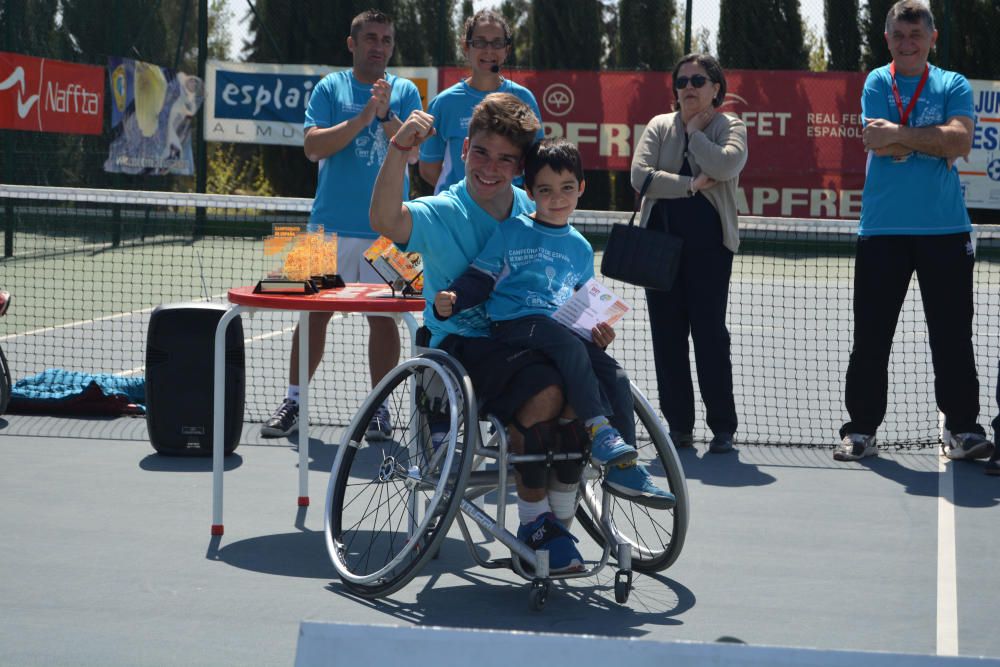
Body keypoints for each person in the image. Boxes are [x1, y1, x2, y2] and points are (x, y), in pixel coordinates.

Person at [373, 94, 655, 573]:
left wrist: (591, 328)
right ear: (464, 149)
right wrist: (399, 150)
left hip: (535, 339)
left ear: (521, 168)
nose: (490, 167)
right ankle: (533, 524)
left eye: (506, 159)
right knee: (548, 394)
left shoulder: (537, 205)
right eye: (481, 153)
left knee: (581, 385)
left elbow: (561, 284)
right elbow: (384, 221)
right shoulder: (441, 210)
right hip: (465, 348)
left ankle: (558, 523)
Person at [434, 138, 674, 509]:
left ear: (580, 188)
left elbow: (580, 303)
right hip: (515, 326)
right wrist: (453, 299)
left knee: (617, 376)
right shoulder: (511, 230)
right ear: (529, 191)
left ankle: (624, 466)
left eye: (566, 188)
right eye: (544, 190)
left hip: (561, 331)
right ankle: (600, 429)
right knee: (565, 343)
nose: (556, 198)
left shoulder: (579, 246)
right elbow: (480, 277)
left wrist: (598, 334)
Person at [835, 0, 995, 462]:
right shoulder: (877, 81)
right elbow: (875, 143)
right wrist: (933, 137)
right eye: (899, 35)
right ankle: (861, 430)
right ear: (887, 39)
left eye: (916, 35)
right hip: (882, 231)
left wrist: (902, 134)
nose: (907, 43)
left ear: (932, 38)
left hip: (946, 231)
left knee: (952, 336)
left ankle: (962, 430)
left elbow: (961, 141)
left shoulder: (953, 83)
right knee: (871, 336)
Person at [261, 9, 422, 439]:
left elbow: (414, 156)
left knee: (385, 320)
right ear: (352, 44)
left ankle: (380, 410)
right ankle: (293, 402)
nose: (379, 46)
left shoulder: (406, 91)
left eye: (386, 39)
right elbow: (313, 147)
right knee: (312, 316)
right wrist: (362, 118)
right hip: (324, 230)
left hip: (389, 233)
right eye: (370, 37)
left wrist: (388, 116)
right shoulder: (331, 87)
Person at [630, 54, 748, 455]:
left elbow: (727, 163)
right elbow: (639, 177)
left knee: (711, 335)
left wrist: (697, 133)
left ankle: (723, 428)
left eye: (699, 80)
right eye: (682, 82)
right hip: (658, 249)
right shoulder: (658, 127)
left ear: (716, 87)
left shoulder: (728, 125)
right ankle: (678, 426)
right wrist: (692, 185)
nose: (690, 88)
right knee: (667, 338)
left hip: (710, 250)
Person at [417, 9, 542, 194]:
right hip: (456, 214)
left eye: (497, 43)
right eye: (480, 42)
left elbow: (536, 163)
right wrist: (470, 196)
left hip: (506, 215)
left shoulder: (524, 99)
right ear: (466, 47)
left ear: (506, 50)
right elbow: (428, 169)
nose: (489, 50)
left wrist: (494, 193)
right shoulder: (444, 103)